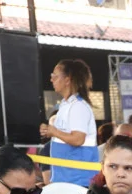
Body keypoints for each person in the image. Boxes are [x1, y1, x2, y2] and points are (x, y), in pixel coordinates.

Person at [38, 59, 97, 187]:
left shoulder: (78, 106)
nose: (51, 79)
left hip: (78, 180)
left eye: (55, 76)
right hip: (67, 178)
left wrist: (54, 132)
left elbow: (78, 139)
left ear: (67, 80)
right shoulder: (66, 105)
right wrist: (50, 132)